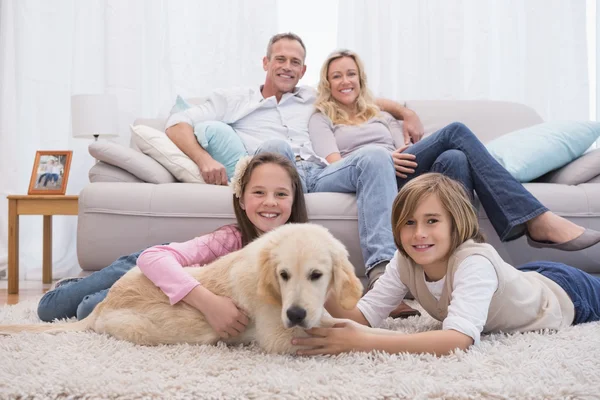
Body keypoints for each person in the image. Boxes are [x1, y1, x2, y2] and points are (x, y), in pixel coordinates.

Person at [165, 33, 422, 318]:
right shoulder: (233, 99)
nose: (287, 66)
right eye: (281, 59)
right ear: (266, 62)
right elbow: (177, 123)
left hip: (321, 172)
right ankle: (287, 282)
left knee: (375, 155)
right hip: (279, 173)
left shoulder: (313, 97)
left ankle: (382, 280)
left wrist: (406, 112)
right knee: (276, 146)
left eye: (295, 62)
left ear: (303, 70)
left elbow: (362, 96)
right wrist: (204, 160)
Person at [308, 49, 600, 293]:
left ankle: (461, 262)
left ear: (360, 79)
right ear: (327, 83)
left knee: (455, 157)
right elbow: (334, 162)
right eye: (337, 76)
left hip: (398, 172)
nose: (345, 80)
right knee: (455, 132)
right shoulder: (321, 117)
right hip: (359, 171)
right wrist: (381, 156)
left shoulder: (381, 116)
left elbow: (404, 149)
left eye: (351, 74)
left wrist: (396, 140)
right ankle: (536, 219)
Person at [291, 173, 600, 356]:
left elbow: (458, 339)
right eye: (409, 222)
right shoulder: (404, 261)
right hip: (523, 279)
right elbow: (362, 315)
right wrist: (319, 277)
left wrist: (366, 342)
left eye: (432, 221)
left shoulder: (473, 262)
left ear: (456, 224)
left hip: (566, 293)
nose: (419, 233)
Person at [38, 152, 308, 339]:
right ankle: (72, 285)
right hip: (146, 268)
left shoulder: (300, 252)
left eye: (281, 194)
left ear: (293, 201)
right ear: (241, 200)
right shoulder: (228, 240)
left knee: (89, 312)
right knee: (51, 309)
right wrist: (209, 303)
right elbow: (153, 259)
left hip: (160, 291)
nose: (270, 202)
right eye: (259, 192)